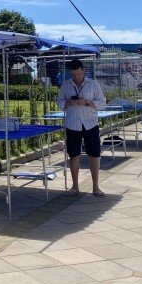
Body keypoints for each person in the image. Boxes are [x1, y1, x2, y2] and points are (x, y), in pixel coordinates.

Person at [57, 58, 107, 197]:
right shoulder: (66, 85)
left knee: (94, 155)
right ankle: (75, 186)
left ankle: (96, 187)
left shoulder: (93, 84)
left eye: (78, 74)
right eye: (73, 75)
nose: (76, 77)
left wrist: (87, 103)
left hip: (90, 124)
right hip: (72, 124)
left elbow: (102, 103)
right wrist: (68, 102)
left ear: (83, 70)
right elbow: (59, 102)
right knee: (74, 155)